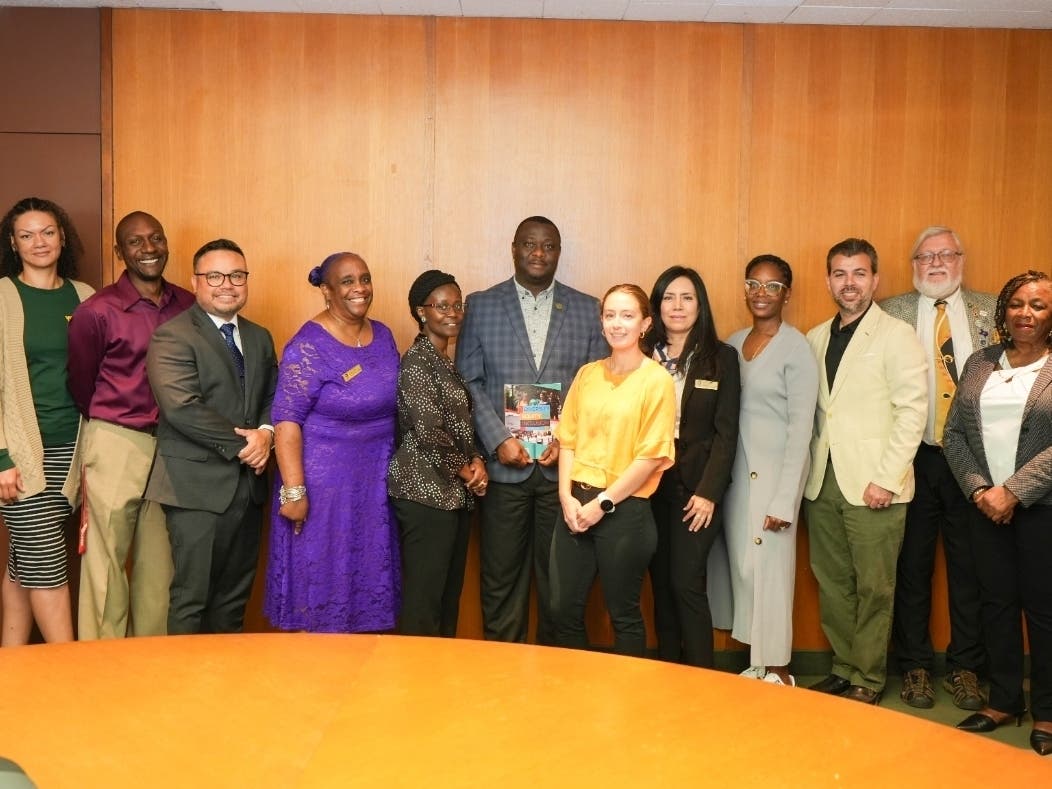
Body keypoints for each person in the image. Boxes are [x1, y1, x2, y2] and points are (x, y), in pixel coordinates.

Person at [455, 216, 606, 644]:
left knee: (560, 583)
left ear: (559, 252)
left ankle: (555, 682)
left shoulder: (585, 308)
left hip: (564, 473)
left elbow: (593, 389)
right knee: (501, 581)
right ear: (514, 248)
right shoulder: (481, 305)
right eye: (529, 244)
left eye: (548, 246)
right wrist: (498, 439)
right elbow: (469, 379)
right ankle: (503, 676)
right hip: (504, 470)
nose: (538, 253)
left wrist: (567, 441)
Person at [804, 237, 927, 705]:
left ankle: (868, 678)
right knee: (833, 581)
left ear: (875, 279)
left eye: (859, 273)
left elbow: (912, 412)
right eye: (840, 273)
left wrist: (887, 478)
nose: (849, 282)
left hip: (876, 483)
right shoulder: (816, 337)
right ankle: (842, 665)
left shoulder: (896, 335)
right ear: (828, 280)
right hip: (824, 481)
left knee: (875, 585)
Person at [881, 227, 997, 710]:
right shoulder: (891, 311)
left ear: (961, 260)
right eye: (925, 256)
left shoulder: (992, 310)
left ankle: (966, 667)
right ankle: (914, 667)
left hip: (975, 461)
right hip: (914, 458)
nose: (935, 263)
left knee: (970, 568)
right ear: (913, 264)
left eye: (945, 254)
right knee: (912, 566)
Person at [68, 211, 194, 639]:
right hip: (117, 440)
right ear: (119, 252)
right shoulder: (97, 310)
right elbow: (81, 384)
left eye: (155, 238)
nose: (149, 249)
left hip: (174, 445)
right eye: (136, 242)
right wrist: (114, 420)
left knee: (159, 568)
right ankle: (100, 668)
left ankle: (149, 667)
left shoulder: (188, 304)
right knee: (105, 563)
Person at [943, 270, 1052, 756]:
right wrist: (981, 490)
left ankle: (1048, 709)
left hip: (1041, 510)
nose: (1026, 313)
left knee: (1045, 613)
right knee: (996, 604)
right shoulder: (979, 362)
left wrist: (1014, 491)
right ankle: (1004, 699)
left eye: (1038, 305)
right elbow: (954, 435)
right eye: (1017, 304)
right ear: (1003, 311)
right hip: (984, 508)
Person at [145, 238, 277, 635]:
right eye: (215, 276)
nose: (227, 284)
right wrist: (248, 446)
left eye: (236, 275)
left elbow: (274, 394)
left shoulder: (258, 336)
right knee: (192, 598)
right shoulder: (173, 335)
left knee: (233, 601)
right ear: (195, 281)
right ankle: (184, 693)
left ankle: (227, 691)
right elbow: (182, 407)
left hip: (249, 488)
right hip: (196, 490)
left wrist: (267, 434)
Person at [264, 253, 400, 633]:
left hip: (375, 483)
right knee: (324, 578)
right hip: (325, 487)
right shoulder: (307, 346)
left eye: (365, 278)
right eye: (347, 281)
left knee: (369, 577)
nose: (360, 288)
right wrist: (294, 491)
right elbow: (287, 421)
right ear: (326, 291)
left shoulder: (384, 334)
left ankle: (362, 678)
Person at [550, 284, 676, 657]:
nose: (617, 324)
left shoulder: (656, 380)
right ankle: (580, 692)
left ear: (645, 324)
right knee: (561, 610)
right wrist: (565, 496)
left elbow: (651, 457)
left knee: (623, 614)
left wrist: (602, 504)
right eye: (610, 315)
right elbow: (568, 439)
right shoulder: (588, 374)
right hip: (576, 502)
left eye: (627, 315)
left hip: (625, 509)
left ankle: (628, 704)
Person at [0, 197, 94, 645]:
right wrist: (1, 456)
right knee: (48, 568)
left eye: (48, 232)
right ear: (13, 244)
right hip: (18, 456)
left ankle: (11, 665)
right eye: (27, 234)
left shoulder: (86, 296)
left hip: (73, 451)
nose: (39, 242)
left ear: (62, 236)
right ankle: (71, 670)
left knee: (27, 562)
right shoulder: (2, 296)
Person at [725, 255, 818, 686]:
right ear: (744, 290)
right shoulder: (732, 342)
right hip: (737, 481)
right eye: (754, 284)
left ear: (787, 293)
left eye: (772, 285)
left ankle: (780, 669)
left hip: (775, 481)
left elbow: (803, 429)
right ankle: (758, 663)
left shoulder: (795, 347)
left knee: (773, 572)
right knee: (746, 569)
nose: (761, 293)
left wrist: (786, 498)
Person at [644, 266, 740, 667]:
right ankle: (667, 670)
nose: (677, 306)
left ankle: (702, 677)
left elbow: (726, 433)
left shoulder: (721, 358)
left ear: (700, 305)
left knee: (686, 583)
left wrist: (709, 493)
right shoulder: (641, 355)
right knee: (660, 586)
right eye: (669, 297)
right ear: (657, 305)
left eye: (687, 298)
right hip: (647, 487)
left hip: (696, 490)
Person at [388, 270, 487, 637]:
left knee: (447, 599)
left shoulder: (444, 361)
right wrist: (468, 472)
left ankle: (440, 682)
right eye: (442, 305)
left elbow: (460, 428)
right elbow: (429, 432)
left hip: (451, 496)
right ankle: (416, 686)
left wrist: (476, 459)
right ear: (421, 311)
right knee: (424, 603)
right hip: (424, 495)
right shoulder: (417, 362)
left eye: (457, 305)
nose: (453, 313)